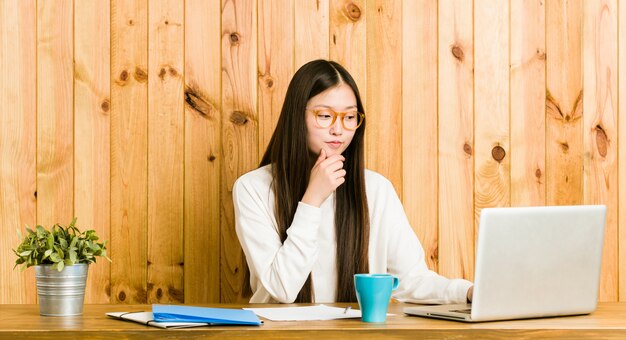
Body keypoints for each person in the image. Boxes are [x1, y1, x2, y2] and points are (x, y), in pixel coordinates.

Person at [233, 59, 473, 304]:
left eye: (349, 117)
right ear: (297, 116)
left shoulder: (376, 189)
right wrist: (312, 199)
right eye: (325, 115)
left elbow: (411, 280)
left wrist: (467, 292)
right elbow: (281, 289)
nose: (339, 129)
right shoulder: (253, 188)